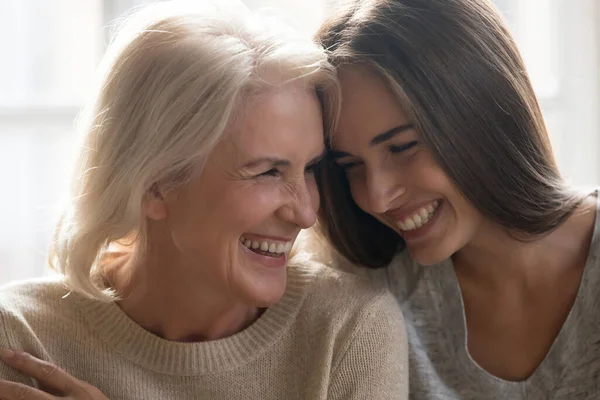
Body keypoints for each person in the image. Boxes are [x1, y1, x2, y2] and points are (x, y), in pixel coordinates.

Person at [0, 1, 409, 399]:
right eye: (268, 172)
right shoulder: (20, 338)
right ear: (154, 184)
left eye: (310, 168)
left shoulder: (348, 329)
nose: (305, 212)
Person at [315, 0, 600, 398]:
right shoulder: (370, 296)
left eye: (402, 147)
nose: (376, 197)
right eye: (350, 165)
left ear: (480, 114)